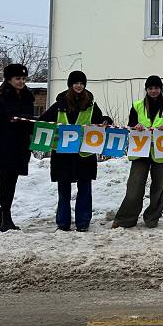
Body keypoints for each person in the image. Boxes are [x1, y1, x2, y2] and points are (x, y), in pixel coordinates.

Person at [38, 70, 112, 232]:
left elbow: (100, 120)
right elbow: (43, 122)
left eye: (81, 83)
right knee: (63, 190)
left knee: (85, 189)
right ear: (70, 85)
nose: (79, 86)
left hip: (84, 154)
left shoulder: (91, 105)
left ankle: (83, 222)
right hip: (63, 154)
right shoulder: (59, 105)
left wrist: (106, 120)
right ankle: (63, 223)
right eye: (76, 83)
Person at [112, 75, 163, 229]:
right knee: (134, 187)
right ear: (146, 90)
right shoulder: (137, 106)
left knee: (158, 189)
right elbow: (131, 123)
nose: (153, 91)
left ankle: (152, 219)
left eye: (156, 88)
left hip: (161, 152)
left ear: (160, 89)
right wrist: (135, 126)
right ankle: (125, 219)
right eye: (150, 88)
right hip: (140, 150)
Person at [0, 63, 36, 232]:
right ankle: (6, 218)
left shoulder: (28, 98)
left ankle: (2, 217)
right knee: (6, 181)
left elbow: (31, 121)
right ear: (8, 79)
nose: (21, 82)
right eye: (18, 78)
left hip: (21, 146)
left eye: (23, 78)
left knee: (12, 181)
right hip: (4, 146)